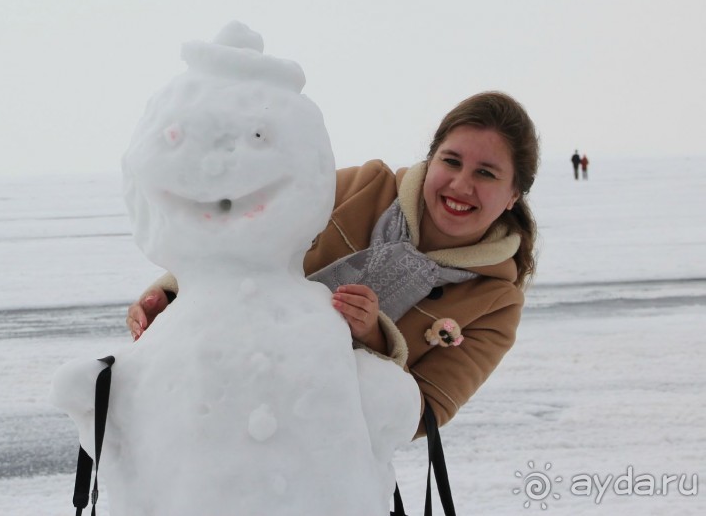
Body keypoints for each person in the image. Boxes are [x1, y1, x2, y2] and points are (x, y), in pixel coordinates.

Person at [126, 91, 539, 429]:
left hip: (320, 459)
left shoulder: (496, 303)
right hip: (218, 402)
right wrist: (170, 295)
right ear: (430, 160)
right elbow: (243, 244)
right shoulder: (362, 186)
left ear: (513, 196)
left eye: (486, 173)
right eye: (451, 161)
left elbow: (423, 416)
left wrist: (377, 339)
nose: (461, 184)